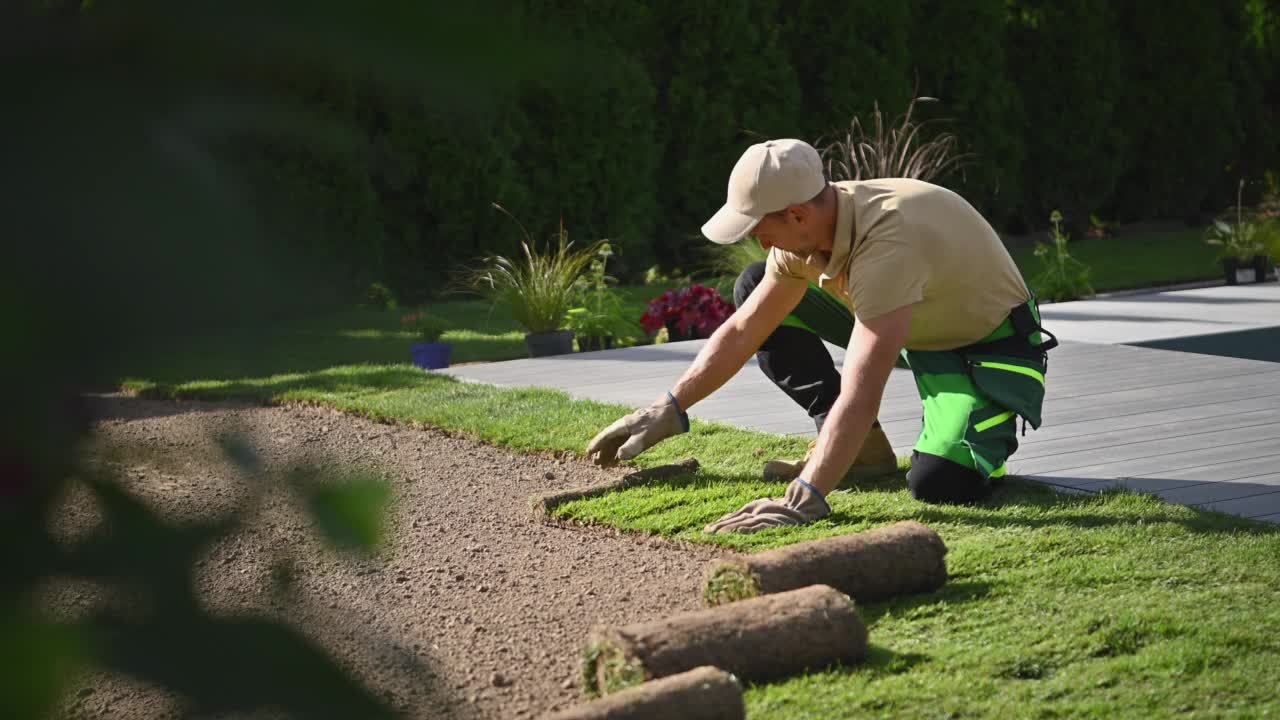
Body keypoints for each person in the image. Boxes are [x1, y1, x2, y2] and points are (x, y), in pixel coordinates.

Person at [586, 138, 1057, 534]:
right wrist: (670, 407)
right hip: (912, 323)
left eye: (758, 227)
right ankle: (863, 453)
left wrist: (805, 497)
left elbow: (863, 386)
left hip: (980, 345)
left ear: (795, 215)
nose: (759, 241)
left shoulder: (888, 242)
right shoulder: (809, 228)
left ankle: (978, 442)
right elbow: (746, 327)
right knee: (755, 288)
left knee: (940, 484)